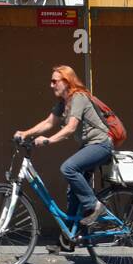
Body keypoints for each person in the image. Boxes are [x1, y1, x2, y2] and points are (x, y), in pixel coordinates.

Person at [16, 64, 114, 252]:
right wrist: (25, 133)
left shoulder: (78, 97)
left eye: (55, 81)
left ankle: (95, 206)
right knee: (73, 192)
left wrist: (48, 141)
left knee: (68, 168)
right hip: (89, 146)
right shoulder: (63, 102)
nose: (51, 85)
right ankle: (69, 238)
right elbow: (48, 122)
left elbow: (70, 128)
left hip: (101, 145)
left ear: (66, 81)